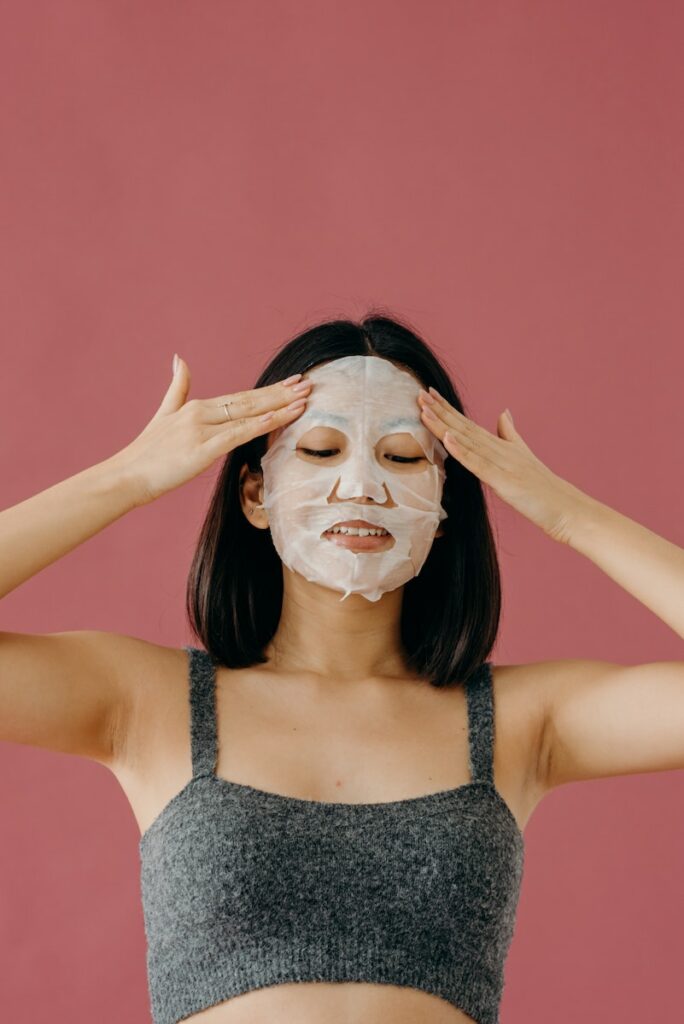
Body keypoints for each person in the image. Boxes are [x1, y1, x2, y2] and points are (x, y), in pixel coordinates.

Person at [1, 313, 682, 1024]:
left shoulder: (523, 722)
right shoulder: (147, 702)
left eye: (402, 457)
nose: (360, 485)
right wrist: (128, 477)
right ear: (255, 494)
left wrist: (570, 515)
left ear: (444, 507)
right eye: (322, 449)